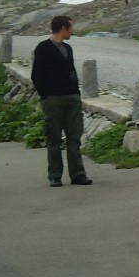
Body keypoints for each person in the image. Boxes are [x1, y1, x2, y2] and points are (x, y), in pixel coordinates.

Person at [31, 15, 92, 187]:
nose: (73, 31)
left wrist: (76, 93)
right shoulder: (43, 48)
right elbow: (37, 75)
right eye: (71, 28)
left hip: (71, 97)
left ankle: (78, 173)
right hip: (53, 99)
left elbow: (71, 71)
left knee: (74, 137)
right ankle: (55, 175)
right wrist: (46, 95)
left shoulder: (68, 48)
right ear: (63, 28)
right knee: (54, 138)